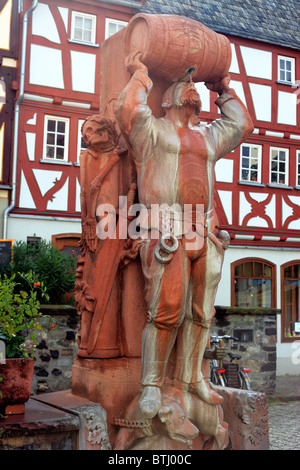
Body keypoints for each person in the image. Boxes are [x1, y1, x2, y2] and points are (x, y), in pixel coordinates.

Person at [114, 51, 254, 418]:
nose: (191, 89)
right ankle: (150, 386)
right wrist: (141, 74)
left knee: (201, 314)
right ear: (166, 98)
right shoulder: (152, 130)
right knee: (166, 312)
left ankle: (192, 378)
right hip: (165, 229)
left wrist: (222, 89)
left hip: (204, 232)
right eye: (182, 85)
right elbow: (127, 110)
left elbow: (242, 126)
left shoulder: (207, 136)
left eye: (194, 87)